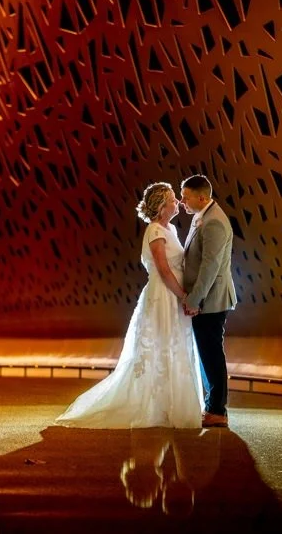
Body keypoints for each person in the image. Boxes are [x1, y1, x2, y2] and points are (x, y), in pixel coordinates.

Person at [56, 182, 203, 429]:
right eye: (171, 199)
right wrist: (183, 295)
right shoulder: (155, 231)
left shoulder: (172, 230)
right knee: (160, 346)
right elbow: (164, 271)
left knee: (174, 345)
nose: (176, 201)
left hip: (174, 297)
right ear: (160, 206)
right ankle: (155, 406)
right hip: (163, 296)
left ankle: (172, 404)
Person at [180, 174, 237, 428]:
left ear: (201, 197)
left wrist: (194, 299)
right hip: (205, 299)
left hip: (210, 300)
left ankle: (217, 410)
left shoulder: (214, 222)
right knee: (206, 352)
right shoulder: (202, 215)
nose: (182, 201)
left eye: (186, 196)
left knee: (211, 353)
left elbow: (209, 267)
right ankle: (212, 406)